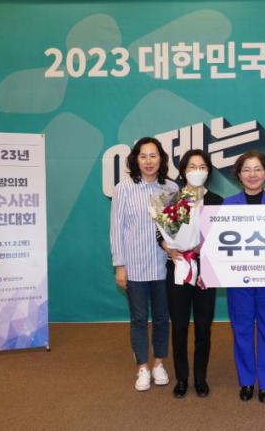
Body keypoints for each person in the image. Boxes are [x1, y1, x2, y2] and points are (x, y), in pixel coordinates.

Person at [110, 137, 178, 391]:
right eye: (143, 156)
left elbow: (178, 228)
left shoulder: (171, 188)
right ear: (135, 160)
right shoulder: (124, 189)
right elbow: (116, 229)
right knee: (139, 318)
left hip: (163, 265)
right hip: (135, 266)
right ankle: (142, 367)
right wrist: (120, 265)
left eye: (153, 156)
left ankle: (159, 363)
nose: (148, 161)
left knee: (162, 317)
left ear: (161, 159)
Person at [161, 150, 223, 399]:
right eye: (192, 166)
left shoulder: (217, 201)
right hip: (178, 269)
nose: (197, 171)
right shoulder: (172, 198)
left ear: (209, 171)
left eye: (202, 166)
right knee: (179, 326)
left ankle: (200, 377)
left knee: (204, 328)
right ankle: (181, 378)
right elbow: (160, 230)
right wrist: (166, 245)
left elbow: (223, 236)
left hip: (205, 271)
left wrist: (204, 246)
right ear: (183, 171)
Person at [223, 150, 265, 403]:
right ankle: (247, 380)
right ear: (238, 175)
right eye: (246, 169)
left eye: (258, 169)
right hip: (238, 280)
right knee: (242, 330)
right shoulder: (227, 205)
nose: (252, 174)